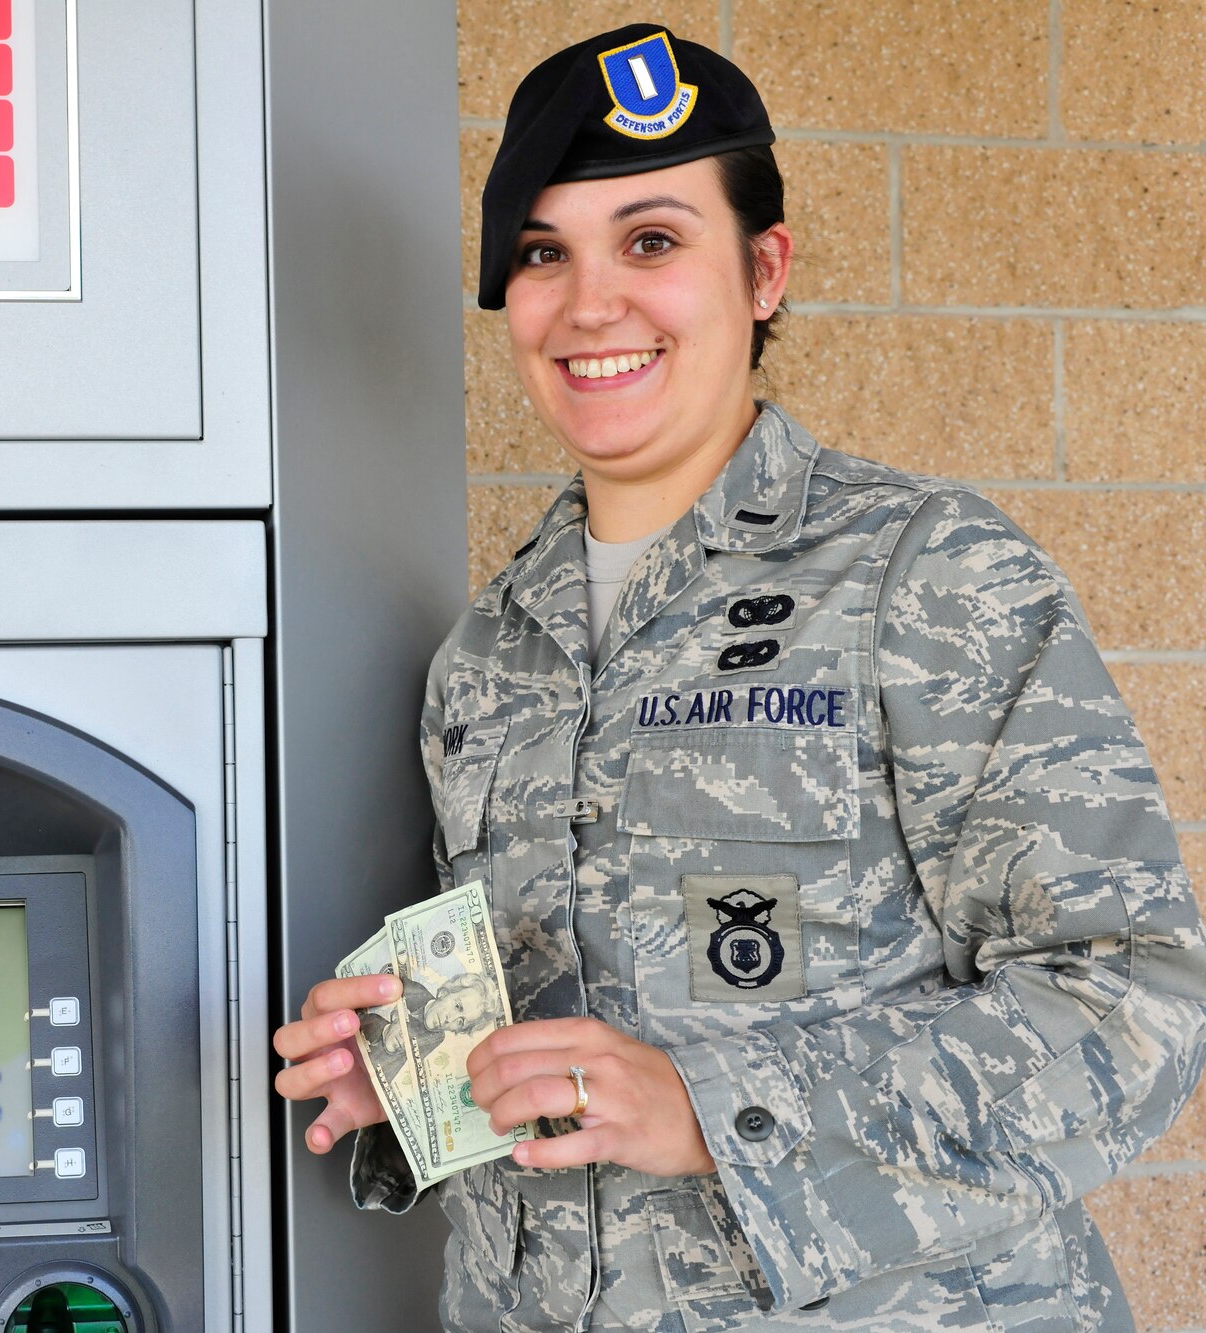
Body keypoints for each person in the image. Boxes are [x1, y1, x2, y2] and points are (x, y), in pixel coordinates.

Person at [271, 22, 1206, 1333]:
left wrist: (715, 1105)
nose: (592, 302)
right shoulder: (486, 652)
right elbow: (566, 1011)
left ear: (764, 269)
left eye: (651, 241)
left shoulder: (927, 577)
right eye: (545, 253)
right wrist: (417, 1071)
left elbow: (1134, 1005)